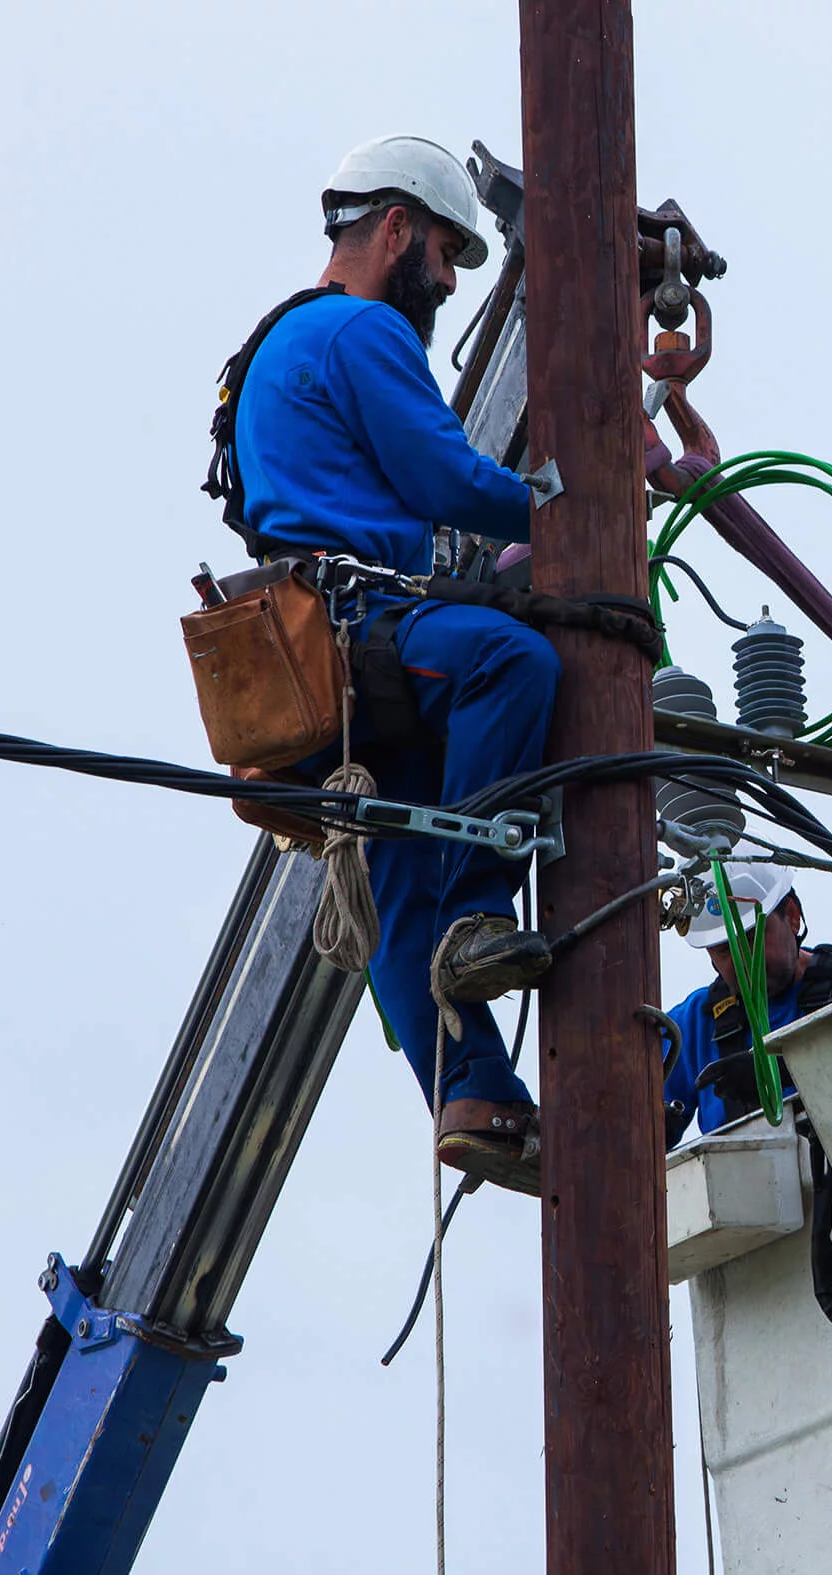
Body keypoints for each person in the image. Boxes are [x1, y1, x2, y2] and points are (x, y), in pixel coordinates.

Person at [220, 135, 556, 1194]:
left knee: (402, 868)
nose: (451, 285)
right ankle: (482, 914)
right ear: (398, 227)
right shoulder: (359, 326)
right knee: (513, 663)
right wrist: (575, 497)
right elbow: (442, 474)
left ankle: (475, 1096)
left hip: (311, 645)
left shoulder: (273, 345)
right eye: (447, 255)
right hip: (355, 623)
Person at [661, 865, 832, 1144]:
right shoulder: (693, 1024)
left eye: (751, 938)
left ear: (791, 916)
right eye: (723, 950)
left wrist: (785, 1069)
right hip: (747, 1184)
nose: (742, 961)